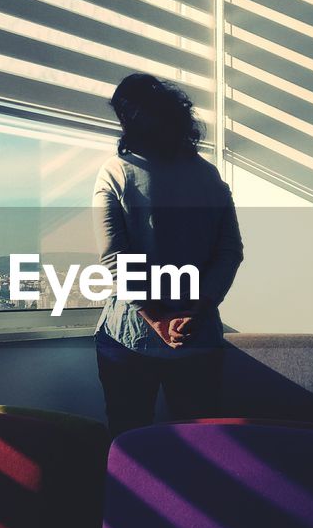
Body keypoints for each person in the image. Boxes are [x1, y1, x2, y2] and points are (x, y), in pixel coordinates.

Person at [93, 72, 243, 437]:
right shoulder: (210, 177)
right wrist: (196, 310)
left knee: (128, 442)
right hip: (199, 335)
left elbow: (115, 257)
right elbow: (230, 252)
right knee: (200, 447)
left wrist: (156, 319)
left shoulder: (118, 172)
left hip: (130, 337)